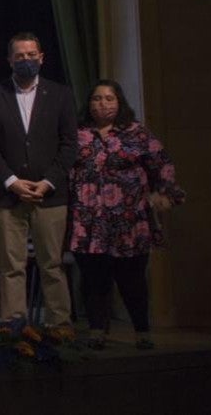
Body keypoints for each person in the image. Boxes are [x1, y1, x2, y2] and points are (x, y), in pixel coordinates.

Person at [70, 79, 185, 349]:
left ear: (119, 102)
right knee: (94, 280)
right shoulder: (78, 134)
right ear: (89, 103)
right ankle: (97, 330)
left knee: (132, 279)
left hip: (129, 220)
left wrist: (164, 193)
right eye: (97, 98)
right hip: (88, 221)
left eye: (109, 98)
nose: (103, 103)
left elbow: (162, 164)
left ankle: (141, 331)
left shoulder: (137, 133)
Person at [0, 32, 78, 327]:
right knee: (10, 267)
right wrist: (11, 181)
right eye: (19, 56)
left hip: (51, 196)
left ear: (42, 58)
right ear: (9, 59)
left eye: (31, 55)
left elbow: (69, 145)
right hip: (7, 196)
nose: (26, 60)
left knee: (52, 265)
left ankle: (59, 328)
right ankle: (15, 332)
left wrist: (48, 182)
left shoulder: (61, 94)